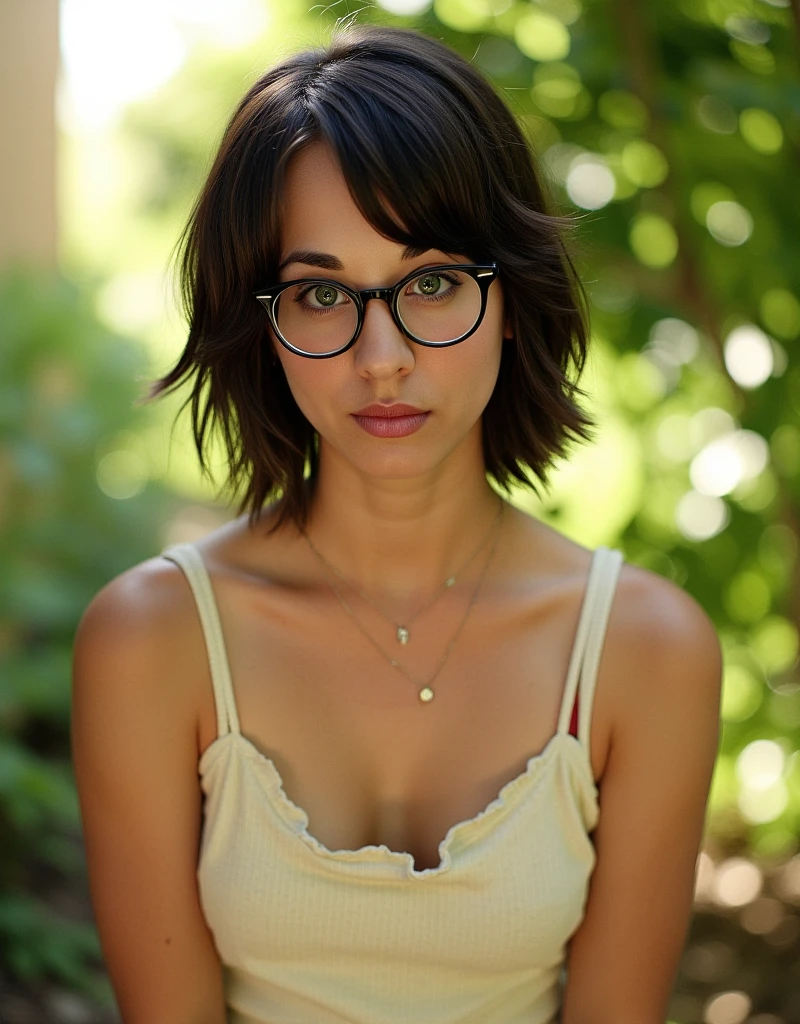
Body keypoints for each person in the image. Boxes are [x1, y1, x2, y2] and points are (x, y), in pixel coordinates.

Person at [71, 23, 722, 1024]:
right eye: (323, 292)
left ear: (509, 296)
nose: (383, 355)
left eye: (430, 282)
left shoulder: (643, 651)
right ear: (261, 318)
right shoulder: (152, 642)